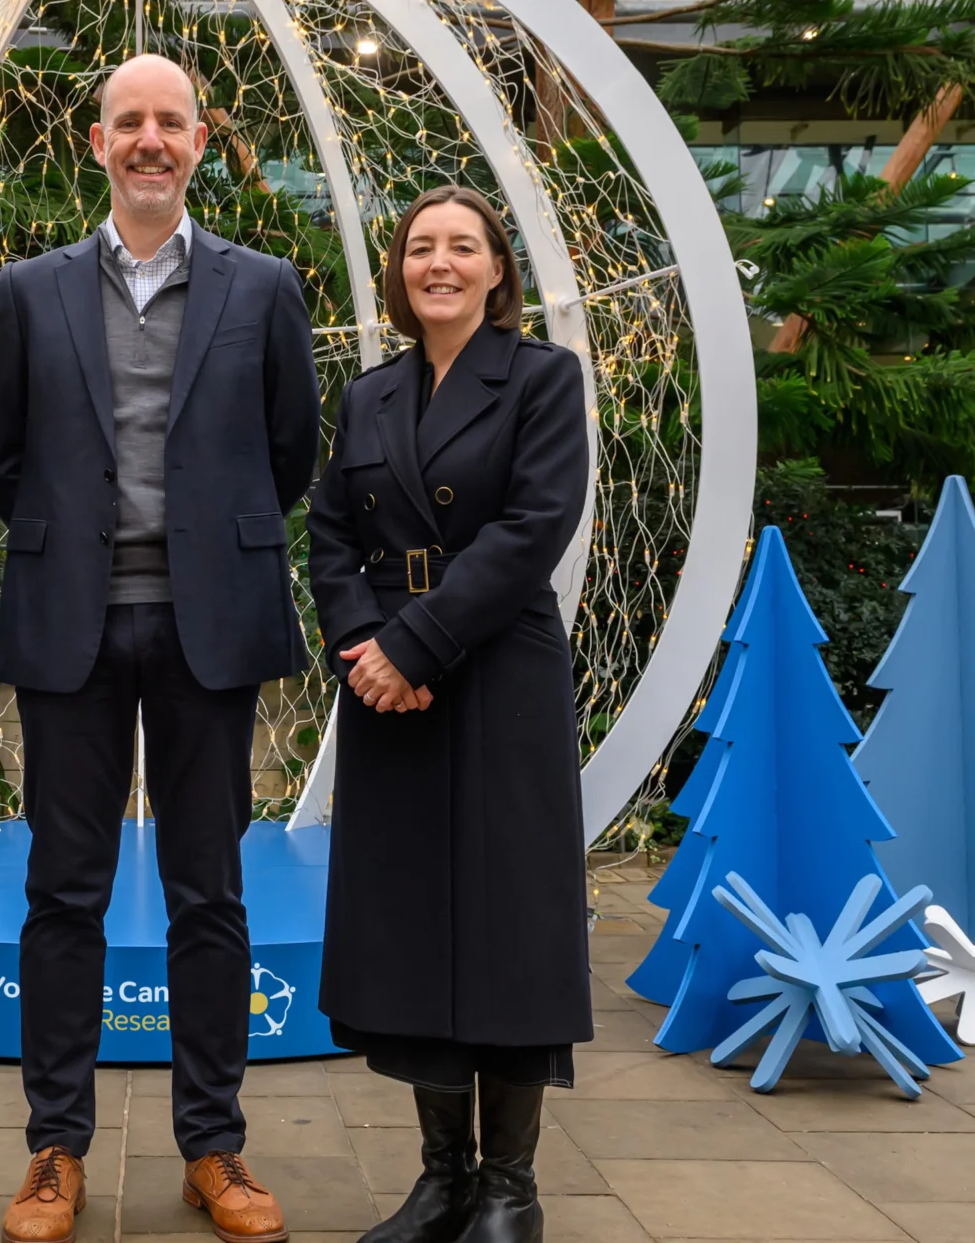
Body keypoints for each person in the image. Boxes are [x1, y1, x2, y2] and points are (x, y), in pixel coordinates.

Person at [0, 54, 323, 1243]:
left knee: (207, 895)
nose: (150, 140)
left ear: (201, 139)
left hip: (205, 627)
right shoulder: (27, 289)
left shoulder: (263, 285)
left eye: (170, 121)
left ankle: (212, 1149)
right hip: (68, 624)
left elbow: (288, 454)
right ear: (96, 140)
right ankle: (52, 1151)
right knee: (60, 895)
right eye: (129, 121)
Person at [305, 186, 593, 1243]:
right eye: (419, 246)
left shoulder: (542, 379)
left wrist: (416, 644)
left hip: (496, 665)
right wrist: (365, 652)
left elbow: (532, 528)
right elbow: (329, 532)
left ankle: (509, 1188)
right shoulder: (367, 395)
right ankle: (442, 1179)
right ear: (398, 271)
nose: (438, 262)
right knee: (414, 922)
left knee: (508, 919)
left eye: (459, 246)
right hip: (385, 674)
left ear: (495, 270)